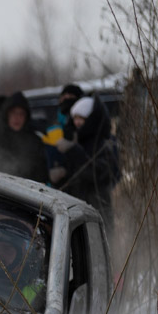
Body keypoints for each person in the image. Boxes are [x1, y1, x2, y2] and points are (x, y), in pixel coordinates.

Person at [50, 95, 120, 229]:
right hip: (74, 211)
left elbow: (97, 174)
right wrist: (61, 174)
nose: (77, 122)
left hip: (98, 212)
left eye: (81, 118)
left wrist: (74, 152)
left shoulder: (103, 144)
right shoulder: (77, 140)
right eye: (75, 118)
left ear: (91, 119)